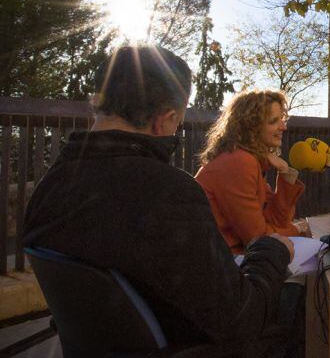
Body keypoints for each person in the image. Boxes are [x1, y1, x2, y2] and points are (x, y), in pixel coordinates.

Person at [23, 45, 295, 357]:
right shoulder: (168, 194)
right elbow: (241, 321)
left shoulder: (50, 187)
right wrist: (271, 250)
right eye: (177, 124)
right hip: (189, 347)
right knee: (297, 303)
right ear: (164, 120)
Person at [195, 90, 310, 256]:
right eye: (273, 121)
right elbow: (257, 239)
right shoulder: (238, 161)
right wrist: (296, 230)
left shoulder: (248, 159)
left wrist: (286, 173)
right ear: (251, 127)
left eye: (282, 119)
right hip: (221, 263)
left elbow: (276, 219)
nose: (283, 127)